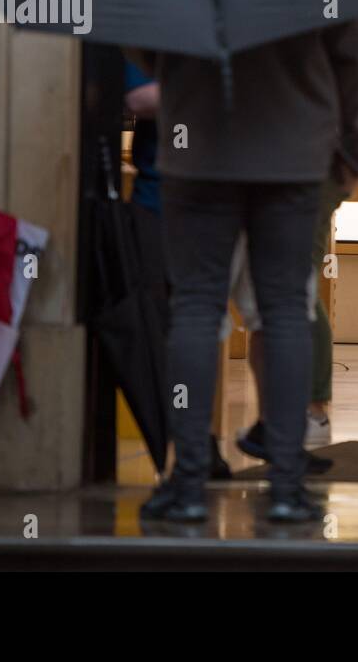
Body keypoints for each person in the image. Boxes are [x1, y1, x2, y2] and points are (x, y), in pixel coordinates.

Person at [137, 17, 358, 524]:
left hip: (198, 142)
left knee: (196, 309)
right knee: (286, 310)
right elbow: (353, 47)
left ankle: (189, 482)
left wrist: (185, 72)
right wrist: (355, 146)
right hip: (292, 147)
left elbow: (141, 35)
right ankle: (287, 486)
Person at [123, 63, 231, 479]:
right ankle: (185, 445)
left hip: (224, 196)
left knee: (205, 322)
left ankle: (197, 443)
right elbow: (138, 99)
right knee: (164, 325)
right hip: (161, 198)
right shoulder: (155, 25)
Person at [229, 174, 347, 458]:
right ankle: (276, 423)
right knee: (278, 299)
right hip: (265, 174)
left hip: (300, 174)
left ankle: (307, 413)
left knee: (289, 294)